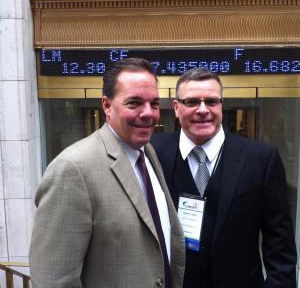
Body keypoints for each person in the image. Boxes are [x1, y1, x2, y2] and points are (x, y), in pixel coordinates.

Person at [30, 58, 185, 288]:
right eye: (134, 103)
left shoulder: (148, 152)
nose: (149, 113)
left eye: (154, 103)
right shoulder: (72, 169)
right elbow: (53, 280)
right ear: (106, 105)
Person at [151, 67, 297, 288]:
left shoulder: (261, 159)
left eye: (211, 101)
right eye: (191, 102)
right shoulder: (152, 153)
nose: (203, 110)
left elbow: (280, 247)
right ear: (176, 107)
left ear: (221, 105)